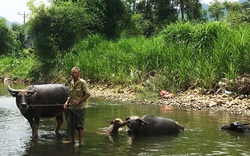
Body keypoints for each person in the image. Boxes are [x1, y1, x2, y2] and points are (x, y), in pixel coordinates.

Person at [63, 67, 90, 145]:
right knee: (71, 126)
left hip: (80, 107)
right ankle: (73, 142)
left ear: (79, 74)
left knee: (79, 126)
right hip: (72, 107)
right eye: (72, 73)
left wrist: (78, 101)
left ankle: (80, 143)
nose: (74, 74)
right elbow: (70, 95)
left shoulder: (82, 82)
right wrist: (66, 102)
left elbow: (88, 94)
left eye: (75, 73)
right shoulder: (71, 82)